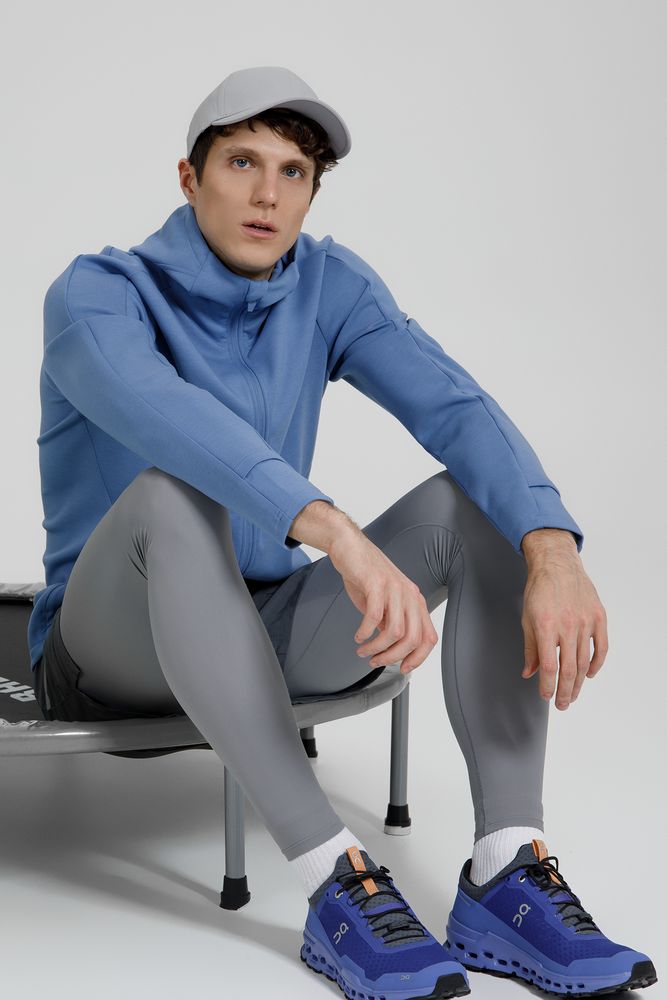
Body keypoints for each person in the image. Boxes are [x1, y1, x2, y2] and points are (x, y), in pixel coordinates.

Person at [28, 66, 657, 999]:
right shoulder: (95, 295)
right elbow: (173, 421)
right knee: (170, 495)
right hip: (108, 651)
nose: (266, 194)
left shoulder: (329, 284)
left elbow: (455, 407)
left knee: (481, 501)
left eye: (293, 172)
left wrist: (550, 545)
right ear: (189, 177)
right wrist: (335, 531)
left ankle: (505, 870)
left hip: (264, 627)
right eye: (241, 162)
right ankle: (334, 879)